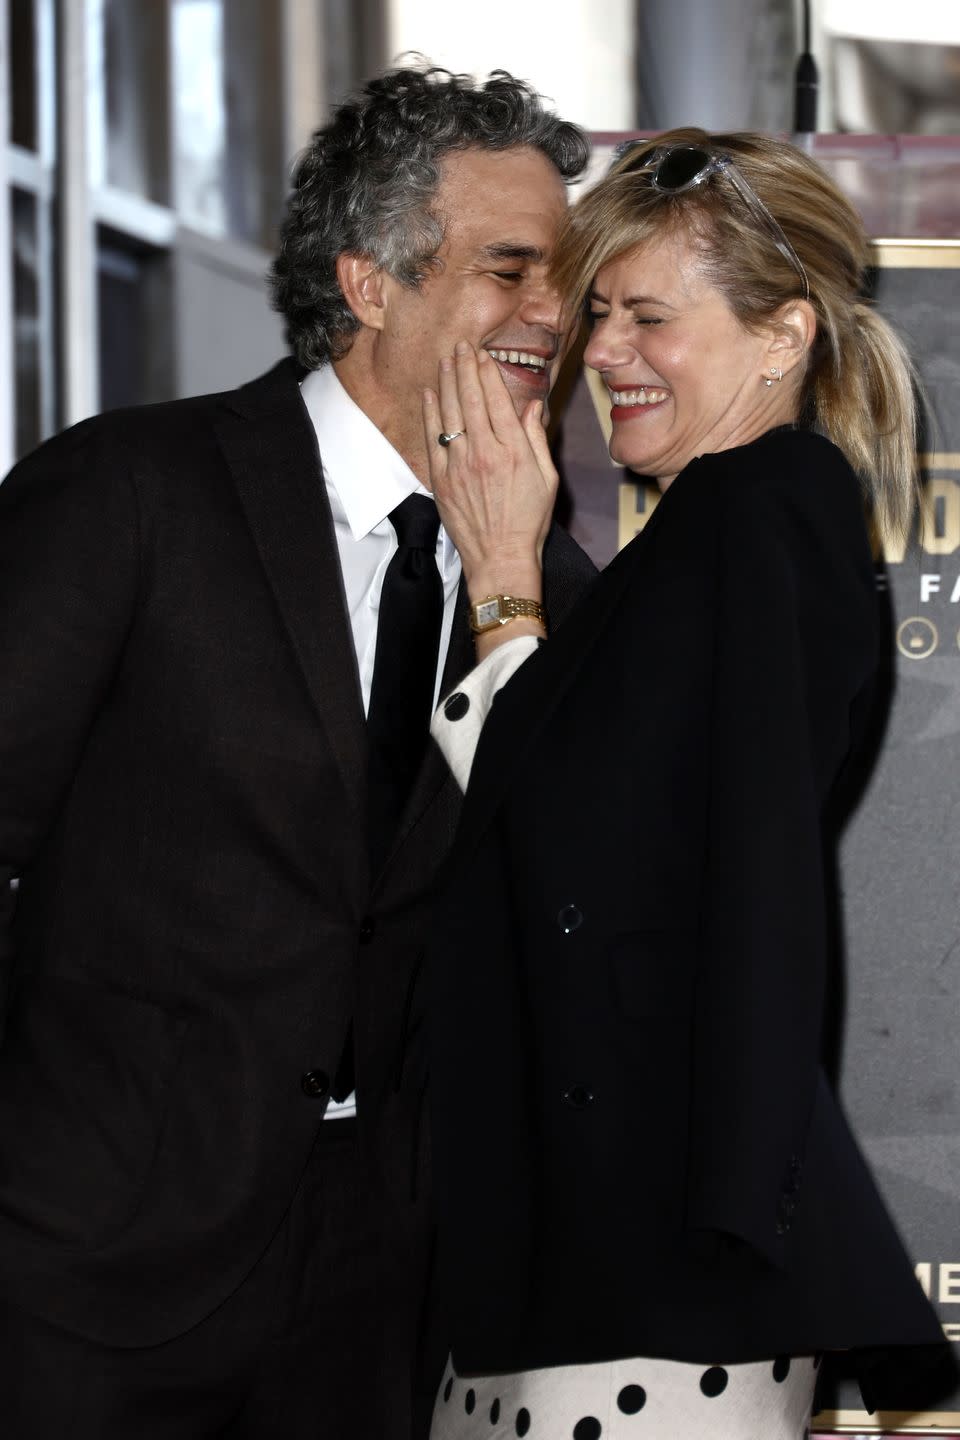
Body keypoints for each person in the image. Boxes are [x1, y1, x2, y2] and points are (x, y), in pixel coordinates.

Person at [0, 66, 595, 1440]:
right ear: (371, 284)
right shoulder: (132, 491)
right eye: (511, 269)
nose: (554, 314)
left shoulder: (546, 587)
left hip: (381, 1304)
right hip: (83, 1273)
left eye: (564, 274)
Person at [421, 129, 953, 1439]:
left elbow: (577, 861)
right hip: (625, 1264)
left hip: (644, 1284)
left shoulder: (748, 519)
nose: (602, 353)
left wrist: (502, 583)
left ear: (781, 338)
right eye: (599, 313)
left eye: (649, 315)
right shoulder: (730, 527)